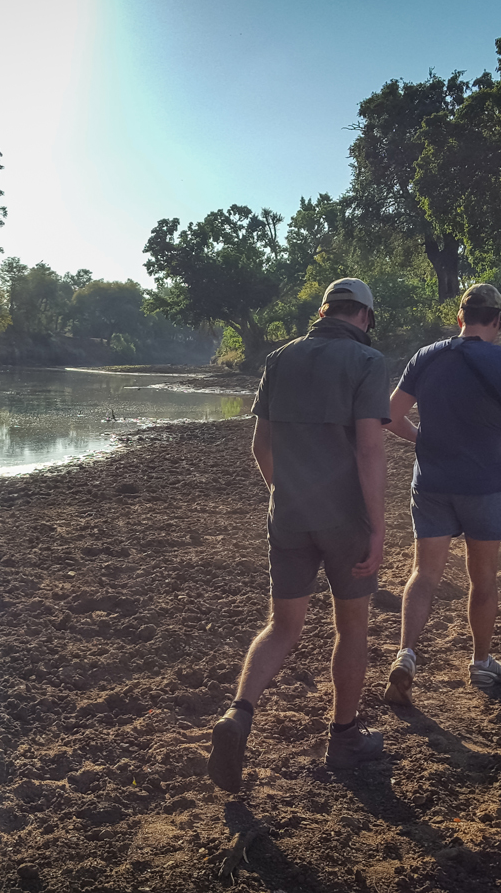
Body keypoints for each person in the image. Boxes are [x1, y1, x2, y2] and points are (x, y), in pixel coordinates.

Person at [207, 278, 390, 793]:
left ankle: (239, 714)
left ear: (324, 311)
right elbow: (370, 452)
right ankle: (344, 736)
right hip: (346, 519)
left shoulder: (280, 359)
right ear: (365, 318)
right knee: (351, 628)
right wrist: (377, 527)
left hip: (287, 515)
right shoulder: (368, 363)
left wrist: (283, 492)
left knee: (282, 627)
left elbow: (260, 446)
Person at [381, 283, 501, 702]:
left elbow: (389, 416)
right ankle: (482, 664)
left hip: (431, 482)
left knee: (423, 573)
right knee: (482, 578)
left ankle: (406, 653)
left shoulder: (427, 356)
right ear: (498, 321)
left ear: (460, 317)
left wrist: (421, 440)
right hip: (484, 484)